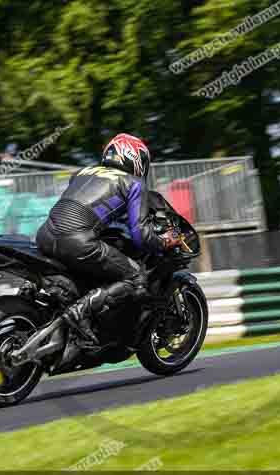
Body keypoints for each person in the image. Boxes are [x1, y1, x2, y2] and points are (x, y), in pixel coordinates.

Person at [35, 133, 178, 365]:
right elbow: (140, 236)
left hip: (44, 235)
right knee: (135, 277)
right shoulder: (133, 183)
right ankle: (79, 312)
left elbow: (89, 206)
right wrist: (164, 241)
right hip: (77, 242)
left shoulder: (82, 172)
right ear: (136, 159)